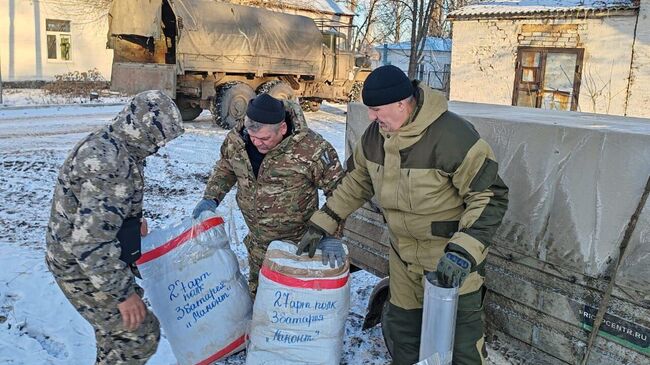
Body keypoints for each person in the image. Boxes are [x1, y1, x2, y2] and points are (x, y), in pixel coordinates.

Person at [296, 65, 509, 364]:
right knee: (404, 339)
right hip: (403, 261)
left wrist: (464, 252)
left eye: (376, 109)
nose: (371, 117)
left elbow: (489, 196)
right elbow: (356, 182)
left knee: (463, 349)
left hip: (451, 263)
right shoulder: (375, 137)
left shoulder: (452, 136)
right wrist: (322, 223)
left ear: (402, 103)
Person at [46, 90, 184, 364]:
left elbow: (104, 212)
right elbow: (90, 243)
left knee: (114, 336)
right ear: (144, 129)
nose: (161, 145)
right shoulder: (109, 162)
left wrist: (131, 222)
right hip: (81, 266)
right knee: (138, 335)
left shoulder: (119, 144)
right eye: (160, 137)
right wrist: (123, 294)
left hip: (95, 258)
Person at [192, 93, 346, 295]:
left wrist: (331, 233)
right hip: (258, 248)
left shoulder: (312, 149)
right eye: (252, 136)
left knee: (294, 307)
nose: (257, 143)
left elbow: (340, 193)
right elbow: (226, 169)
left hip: (300, 248)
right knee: (261, 305)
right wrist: (211, 198)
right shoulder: (237, 141)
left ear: (282, 128)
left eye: (265, 138)